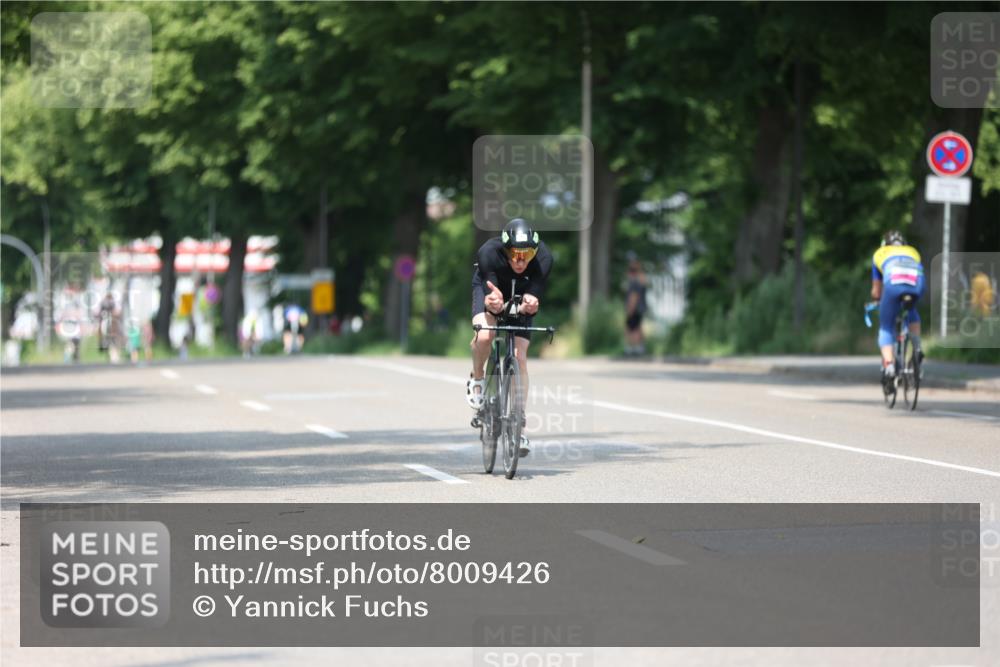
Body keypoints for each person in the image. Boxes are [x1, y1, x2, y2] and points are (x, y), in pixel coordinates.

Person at [467, 218, 553, 456]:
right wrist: (493, 303)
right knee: (485, 335)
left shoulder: (544, 259)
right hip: (491, 291)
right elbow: (494, 304)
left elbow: (533, 297)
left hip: (520, 295)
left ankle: (518, 424)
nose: (520, 260)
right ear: (506, 249)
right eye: (514, 253)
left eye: (526, 254)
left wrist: (530, 303)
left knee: (520, 356)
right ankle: (478, 378)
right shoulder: (488, 253)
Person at [871, 230, 925, 388]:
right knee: (911, 310)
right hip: (916, 285)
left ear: (885, 244)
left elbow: (876, 291)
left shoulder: (880, 254)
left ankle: (889, 366)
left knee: (886, 327)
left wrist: (877, 300)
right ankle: (917, 347)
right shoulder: (912, 252)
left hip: (893, 284)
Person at [624, 253, 648, 356]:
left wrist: (630, 309)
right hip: (641, 308)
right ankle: (639, 347)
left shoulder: (633, 282)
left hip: (635, 308)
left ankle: (634, 348)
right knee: (638, 326)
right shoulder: (640, 280)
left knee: (632, 328)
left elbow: (633, 297)